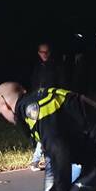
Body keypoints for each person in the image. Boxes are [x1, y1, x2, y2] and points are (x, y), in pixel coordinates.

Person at [28, 42, 68, 170]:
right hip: (38, 103)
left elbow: (62, 84)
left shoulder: (57, 66)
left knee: (46, 132)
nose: (44, 54)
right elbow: (34, 84)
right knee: (43, 132)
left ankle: (40, 160)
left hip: (52, 104)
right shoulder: (38, 68)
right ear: (38, 53)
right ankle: (39, 160)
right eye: (42, 52)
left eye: (47, 52)